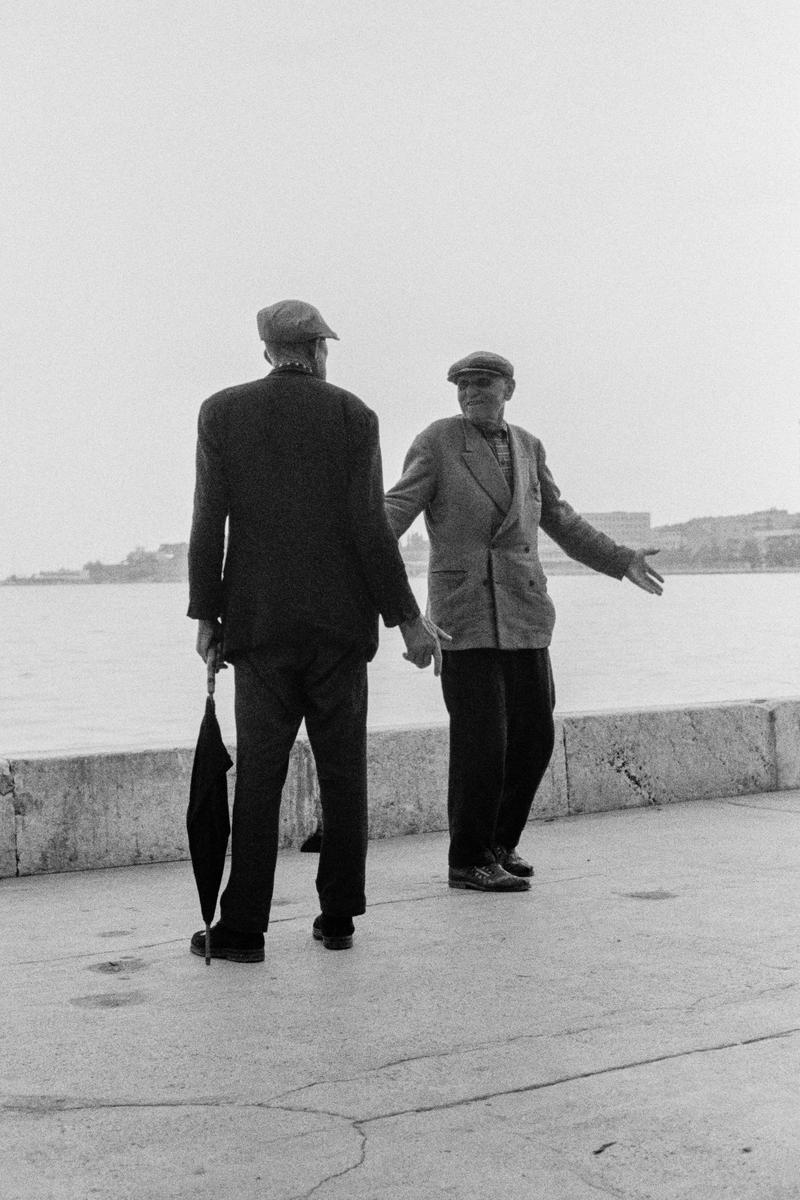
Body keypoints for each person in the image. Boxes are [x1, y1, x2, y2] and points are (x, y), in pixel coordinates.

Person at [187, 299, 442, 961]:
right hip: (337, 631)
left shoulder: (222, 412)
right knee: (343, 774)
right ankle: (338, 918)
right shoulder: (354, 415)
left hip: (261, 628)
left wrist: (207, 617)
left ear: (267, 349)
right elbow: (369, 529)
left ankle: (242, 928)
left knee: (259, 780)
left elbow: (208, 522)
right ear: (319, 350)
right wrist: (407, 619)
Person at [385, 351, 663, 892]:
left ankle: (499, 842)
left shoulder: (529, 446)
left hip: (525, 613)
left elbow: (558, 516)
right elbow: (393, 513)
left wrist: (619, 558)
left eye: (483, 385)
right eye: (462, 387)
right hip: (464, 616)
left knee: (534, 737)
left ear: (509, 388)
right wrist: (382, 584)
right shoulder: (438, 442)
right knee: (481, 743)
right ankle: (467, 858)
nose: (470, 395)